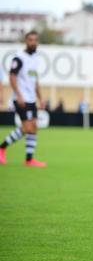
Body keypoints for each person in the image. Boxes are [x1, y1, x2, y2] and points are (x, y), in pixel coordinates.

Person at [0, 31, 46, 167]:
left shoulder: (35, 59)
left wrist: (41, 98)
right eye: (30, 40)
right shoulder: (19, 58)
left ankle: (29, 159)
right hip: (21, 99)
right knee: (27, 127)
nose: (33, 42)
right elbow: (12, 76)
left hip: (31, 99)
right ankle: (2, 147)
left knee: (34, 127)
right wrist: (18, 94)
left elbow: (35, 81)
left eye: (35, 40)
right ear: (26, 41)